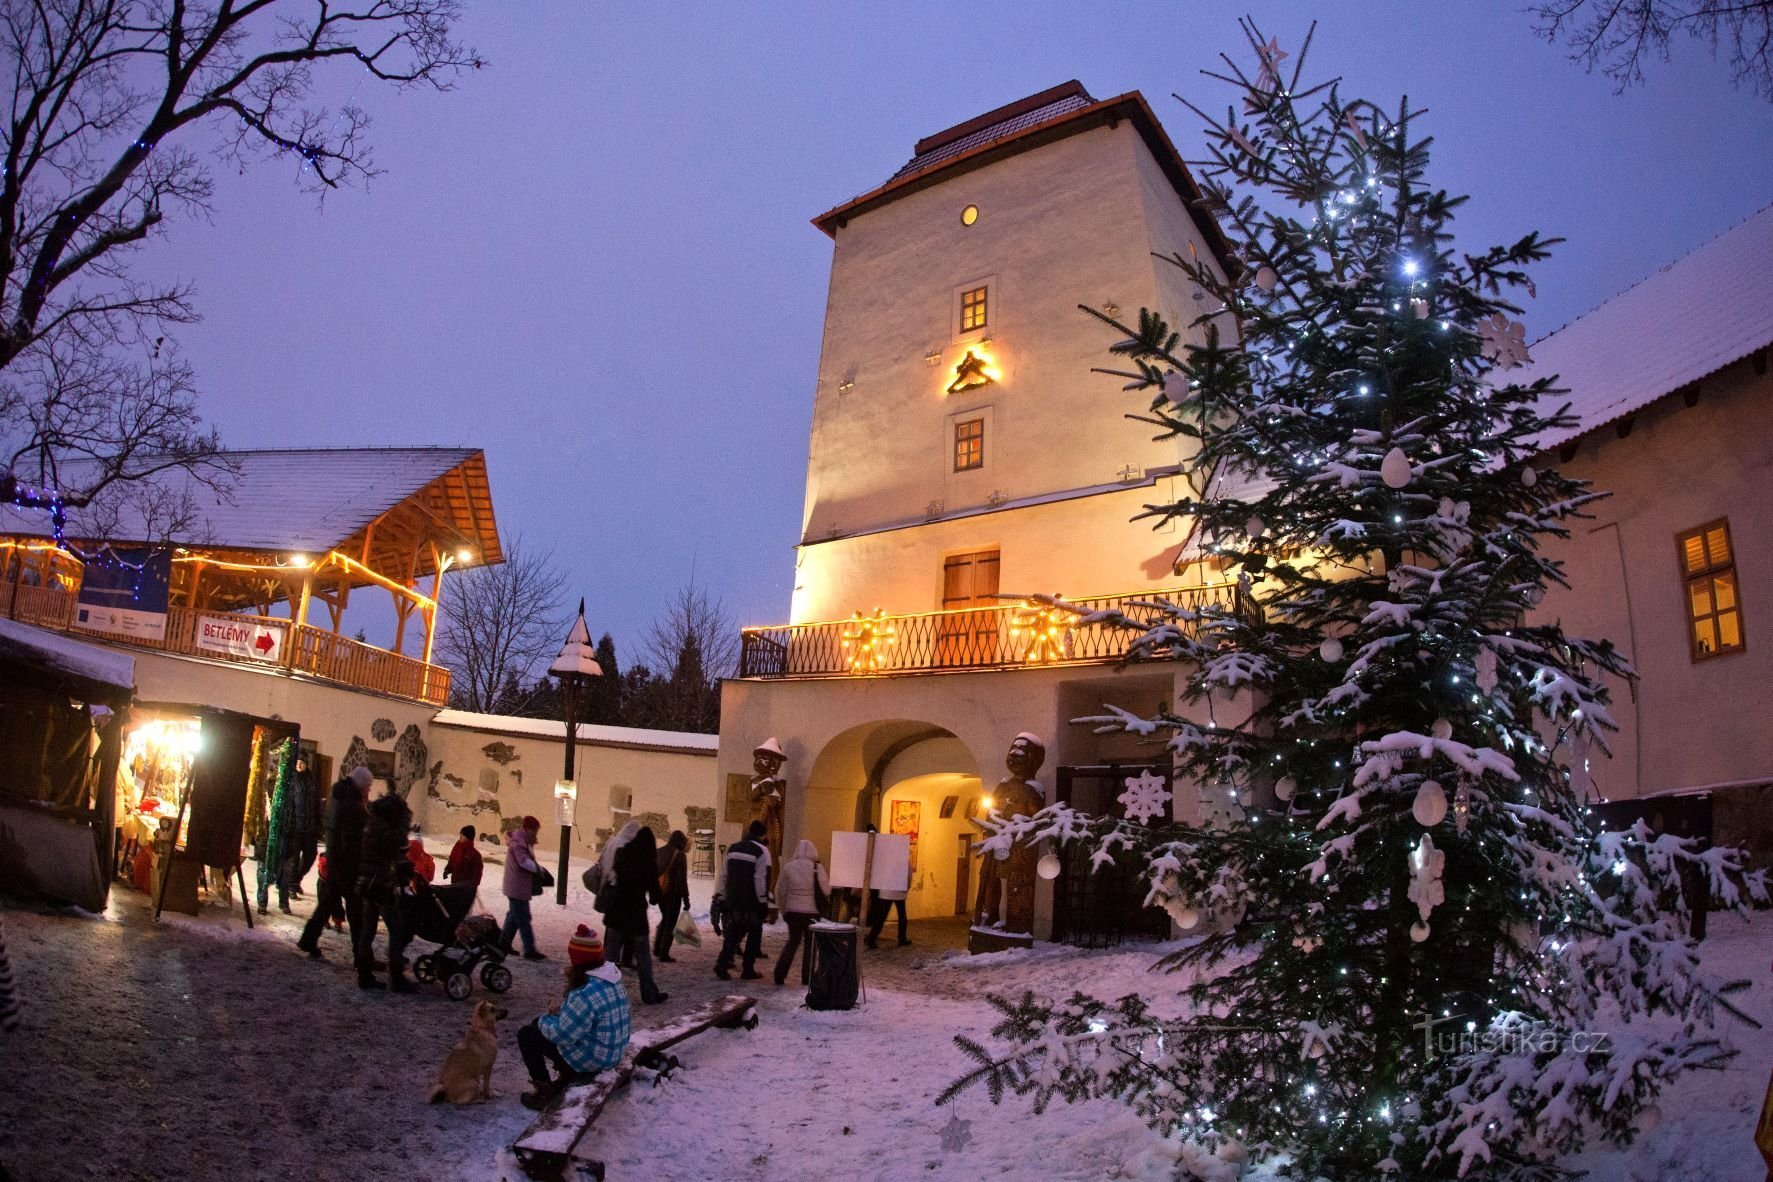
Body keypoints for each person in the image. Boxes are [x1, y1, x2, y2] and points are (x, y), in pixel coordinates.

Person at [517, 925, 632, 1111]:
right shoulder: (611, 977)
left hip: (597, 1060)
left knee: (527, 1034)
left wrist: (545, 1019)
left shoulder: (584, 992)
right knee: (538, 1027)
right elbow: (587, 1017)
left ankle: (545, 1092)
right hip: (614, 1050)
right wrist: (558, 1013)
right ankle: (565, 1073)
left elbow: (564, 1035)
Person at [296, 767, 370, 962]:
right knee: (356, 911)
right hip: (347, 865)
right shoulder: (352, 805)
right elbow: (352, 839)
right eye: (368, 787)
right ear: (361, 786)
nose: (369, 791)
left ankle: (308, 940)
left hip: (335, 860)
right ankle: (362, 957)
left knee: (326, 904)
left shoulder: (338, 797)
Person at [598, 825, 668, 1005]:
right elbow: (654, 896)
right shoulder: (648, 863)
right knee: (643, 958)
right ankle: (649, 993)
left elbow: (613, 874)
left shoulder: (623, 853)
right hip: (635, 915)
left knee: (610, 956)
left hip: (616, 911)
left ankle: (601, 993)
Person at [355, 787, 415, 992]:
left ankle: (364, 974)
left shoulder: (372, 823)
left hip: (367, 881)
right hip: (379, 883)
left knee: (368, 928)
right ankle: (396, 977)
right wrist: (404, 821)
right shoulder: (386, 830)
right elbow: (397, 842)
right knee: (397, 928)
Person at [713, 820, 772, 981]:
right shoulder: (762, 851)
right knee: (754, 933)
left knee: (732, 933)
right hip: (751, 900)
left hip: (734, 898)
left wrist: (723, 896)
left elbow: (724, 875)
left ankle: (722, 964)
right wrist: (763, 901)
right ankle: (748, 969)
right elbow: (760, 878)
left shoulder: (733, 848)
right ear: (762, 834)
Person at [773, 838, 829, 986]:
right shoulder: (817, 868)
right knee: (810, 945)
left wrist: (783, 909)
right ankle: (807, 977)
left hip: (793, 912)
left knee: (793, 942)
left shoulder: (788, 867)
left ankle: (779, 973)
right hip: (812, 912)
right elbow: (826, 890)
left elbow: (780, 891)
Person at [501, 816, 547, 961]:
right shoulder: (519, 843)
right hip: (517, 887)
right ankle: (529, 949)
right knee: (523, 918)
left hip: (515, 886)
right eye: (535, 831)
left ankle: (503, 944)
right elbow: (524, 862)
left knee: (514, 917)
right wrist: (538, 869)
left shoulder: (522, 841)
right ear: (528, 829)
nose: (536, 834)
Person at [283, 753, 323, 895]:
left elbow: (317, 804)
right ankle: (292, 886)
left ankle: (296, 879)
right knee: (293, 858)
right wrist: (289, 823)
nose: (299, 765)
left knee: (310, 856)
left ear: (307, 764)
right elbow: (289, 805)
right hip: (296, 827)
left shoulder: (312, 782)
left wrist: (319, 824)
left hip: (310, 827)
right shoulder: (292, 781)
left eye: (302, 763)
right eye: (297, 762)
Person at [653, 830, 691, 963]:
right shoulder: (680, 855)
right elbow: (682, 880)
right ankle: (664, 953)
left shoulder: (659, 851)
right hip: (673, 893)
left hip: (660, 892)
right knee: (670, 923)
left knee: (665, 918)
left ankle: (657, 947)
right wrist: (686, 899)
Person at [865, 883, 909, 949]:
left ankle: (872, 938)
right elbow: (908, 877)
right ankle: (902, 939)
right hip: (899, 892)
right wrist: (907, 886)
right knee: (902, 915)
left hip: (886, 891)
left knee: (881, 917)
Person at [443, 824, 483, 889]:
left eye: (463, 835)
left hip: (465, 889)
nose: (460, 836)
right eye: (460, 834)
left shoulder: (475, 855)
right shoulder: (457, 848)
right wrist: (447, 869)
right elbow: (452, 861)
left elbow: (477, 875)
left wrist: (471, 886)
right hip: (455, 884)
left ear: (468, 837)